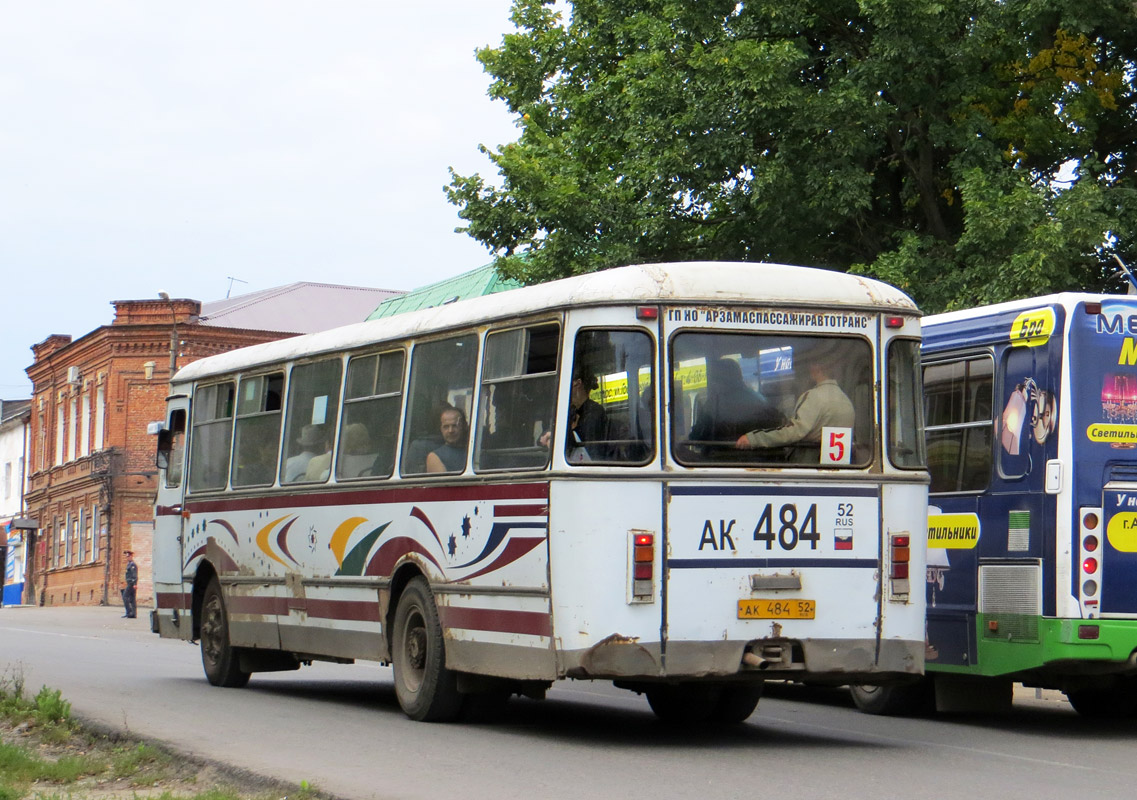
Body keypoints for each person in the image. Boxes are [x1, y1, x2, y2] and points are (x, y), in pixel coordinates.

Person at [736, 354, 855, 460]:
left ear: (816, 368)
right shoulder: (845, 401)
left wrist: (754, 439)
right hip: (835, 467)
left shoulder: (813, 397)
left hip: (808, 466)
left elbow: (794, 431)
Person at [689, 358, 784, 446]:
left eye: (715, 379)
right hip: (764, 460)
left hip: (718, 458)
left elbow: (697, 437)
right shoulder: (759, 399)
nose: (714, 384)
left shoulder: (715, 403)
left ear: (721, 380)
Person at [426, 406, 468, 473]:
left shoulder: (474, 452)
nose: (450, 431)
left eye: (455, 426)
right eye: (446, 427)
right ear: (441, 429)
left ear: (464, 426)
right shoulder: (435, 457)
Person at [121, 550, 138, 618]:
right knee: (132, 598)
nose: (127, 558)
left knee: (125, 596)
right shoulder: (129, 564)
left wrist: (134, 583)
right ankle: (133, 614)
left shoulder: (132, 565)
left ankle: (129, 612)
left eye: (128, 556)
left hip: (131, 583)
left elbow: (134, 575)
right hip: (130, 583)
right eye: (126, 557)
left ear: (131, 556)